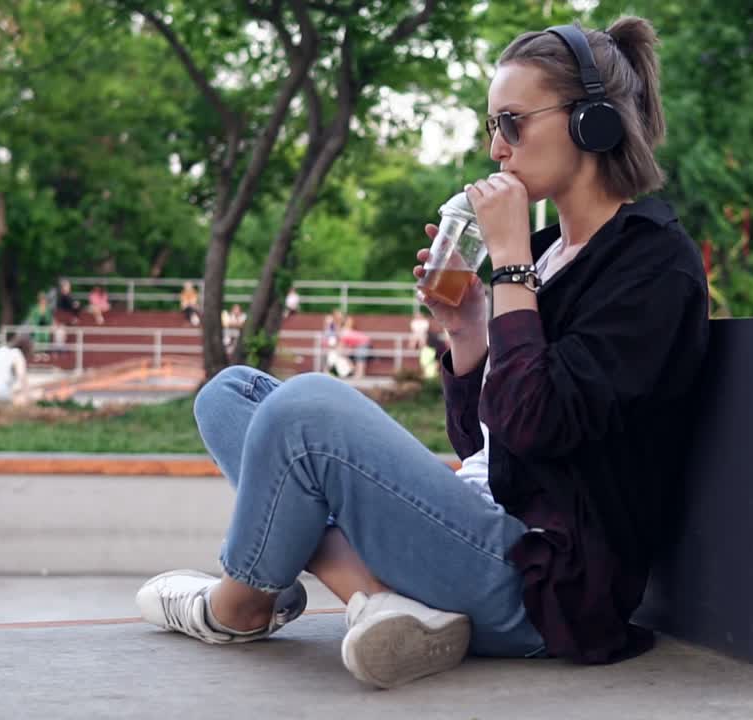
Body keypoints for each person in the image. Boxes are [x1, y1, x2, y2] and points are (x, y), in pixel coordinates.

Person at [133, 17, 708, 690]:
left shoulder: (651, 262)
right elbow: (486, 446)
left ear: (593, 122)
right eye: (491, 127)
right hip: (476, 527)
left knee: (305, 409)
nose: (498, 149)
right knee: (231, 396)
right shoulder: (550, 253)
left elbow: (538, 424)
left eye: (513, 123)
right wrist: (468, 333)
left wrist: (511, 267)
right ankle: (375, 599)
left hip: (541, 585)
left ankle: (240, 603)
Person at [24, 293, 54, 361]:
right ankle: (37, 353)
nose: (43, 301)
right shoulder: (35, 308)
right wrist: (34, 324)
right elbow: (32, 318)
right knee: (37, 338)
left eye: (44, 299)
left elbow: (49, 318)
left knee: (46, 338)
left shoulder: (47, 309)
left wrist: (50, 324)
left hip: (45, 326)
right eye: (42, 299)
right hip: (37, 327)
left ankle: (44, 353)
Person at [339, 316, 372, 380]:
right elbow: (347, 343)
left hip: (363, 343)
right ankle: (356, 372)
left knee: (360, 358)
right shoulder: (345, 331)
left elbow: (343, 344)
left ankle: (359, 375)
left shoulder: (344, 332)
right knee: (357, 357)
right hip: (360, 344)